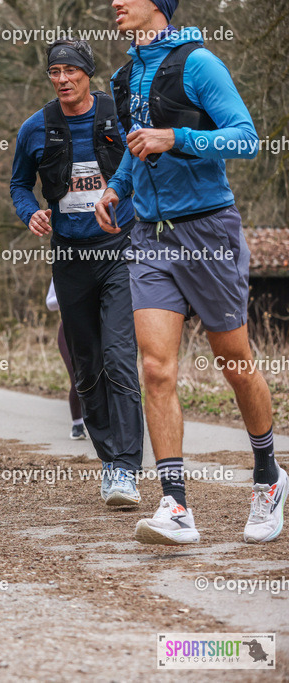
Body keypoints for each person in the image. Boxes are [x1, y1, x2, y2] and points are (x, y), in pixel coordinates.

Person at [95, 0, 285, 544]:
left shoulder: (199, 62)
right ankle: (175, 504)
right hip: (150, 237)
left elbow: (245, 137)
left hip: (208, 233)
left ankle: (269, 477)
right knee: (156, 369)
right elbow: (137, 149)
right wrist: (118, 187)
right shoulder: (127, 73)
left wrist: (175, 138)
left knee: (234, 361)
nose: (115, 3)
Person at [10, 38, 143, 508]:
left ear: (88, 73)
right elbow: (19, 184)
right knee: (86, 363)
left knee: (120, 354)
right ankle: (110, 462)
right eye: (54, 72)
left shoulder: (118, 114)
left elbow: (149, 160)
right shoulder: (37, 128)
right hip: (69, 256)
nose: (63, 79)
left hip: (120, 248)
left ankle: (127, 469)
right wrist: (30, 214)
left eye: (71, 70)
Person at [46, 280, 86, 440]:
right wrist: (67, 294)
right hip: (68, 330)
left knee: (99, 376)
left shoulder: (98, 264)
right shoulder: (62, 267)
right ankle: (77, 423)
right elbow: (49, 303)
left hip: (94, 328)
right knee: (77, 377)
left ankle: (103, 423)